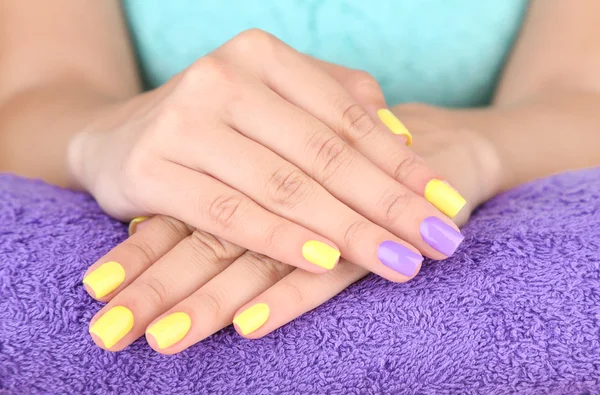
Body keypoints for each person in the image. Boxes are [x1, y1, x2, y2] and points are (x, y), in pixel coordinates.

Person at [1, 0, 599, 354]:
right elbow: (31, 99)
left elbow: (578, 95)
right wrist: (101, 137)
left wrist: (466, 148)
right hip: (177, 191)